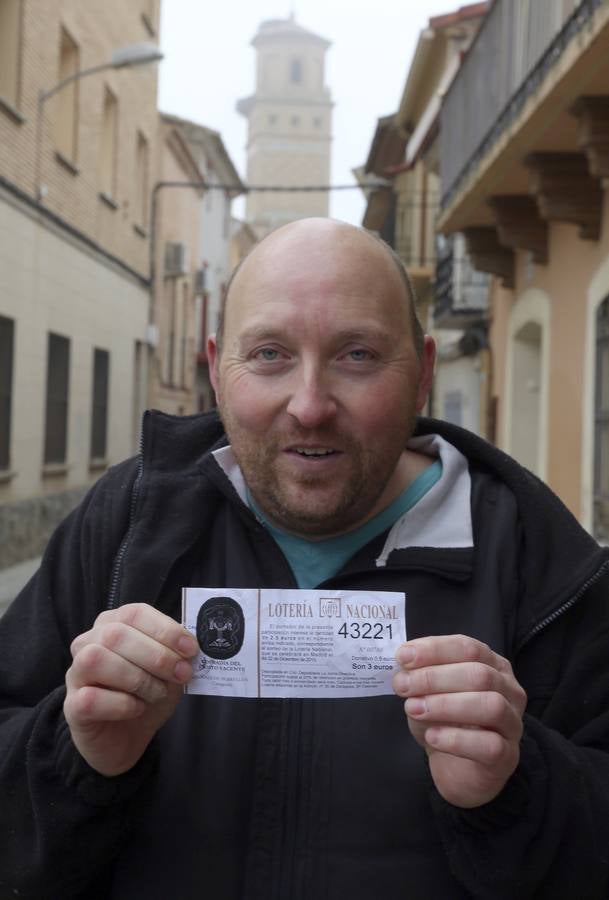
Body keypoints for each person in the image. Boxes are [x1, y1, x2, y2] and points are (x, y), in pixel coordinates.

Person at [1, 218, 608, 900]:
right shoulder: (126, 528)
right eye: (268, 354)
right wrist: (76, 756)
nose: (310, 405)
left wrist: (516, 789)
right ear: (215, 368)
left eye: (357, 355)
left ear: (423, 374)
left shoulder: (538, 559)